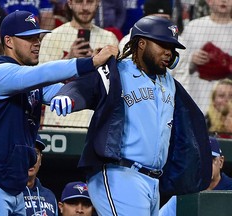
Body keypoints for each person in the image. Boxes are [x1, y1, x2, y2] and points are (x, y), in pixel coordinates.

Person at [0, 10, 118, 216]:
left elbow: (67, 93)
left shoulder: (32, 82)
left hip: (17, 189)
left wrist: (106, 90)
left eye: (37, 37)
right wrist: (91, 62)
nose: (36, 43)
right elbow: (42, 73)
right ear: (8, 41)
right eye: (28, 38)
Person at [50, 15, 212, 215]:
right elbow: (86, 86)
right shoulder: (118, 71)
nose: (169, 53)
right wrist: (69, 96)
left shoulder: (170, 84)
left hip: (153, 181)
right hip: (120, 173)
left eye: (172, 48)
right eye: (162, 45)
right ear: (141, 43)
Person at [39, 0, 119, 130]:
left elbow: (114, 85)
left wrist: (96, 66)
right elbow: (42, 83)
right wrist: (69, 60)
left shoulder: (109, 39)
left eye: (90, 2)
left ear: (98, 3)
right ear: (70, 3)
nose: (85, 7)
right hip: (59, 122)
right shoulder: (52, 38)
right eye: (79, 1)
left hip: (94, 123)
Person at [172, 0, 232, 113]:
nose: (224, 1)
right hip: (198, 99)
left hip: (228, 106)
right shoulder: (193, 27)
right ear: (209, 1)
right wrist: (191, 60)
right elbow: (177, 65)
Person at [159, 136, 232, 215]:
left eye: (210, 160)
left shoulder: (230, 187)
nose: (206, 165)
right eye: (201, 159)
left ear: (220, 162)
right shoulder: (185, 191)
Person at [24, 134, 58, 216]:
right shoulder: (9, 193)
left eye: (35, 153)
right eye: (26, 153)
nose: (31, 160)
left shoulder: (49, 196)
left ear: (41, 159)